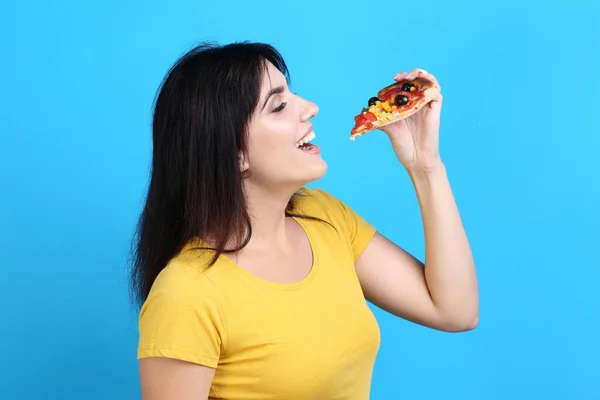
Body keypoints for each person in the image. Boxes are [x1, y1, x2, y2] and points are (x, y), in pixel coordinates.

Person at [129, 41, 479, 400]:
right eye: (279, 106)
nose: (311, 108)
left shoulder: (324, 218)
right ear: (234, 155)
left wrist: (426, 167)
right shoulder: (187, 293)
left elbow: (455, 310)